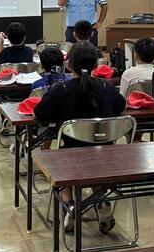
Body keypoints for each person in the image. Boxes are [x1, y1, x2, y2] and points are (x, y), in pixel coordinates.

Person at [34, 43, 126, 229]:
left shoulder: (61, 89)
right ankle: (100, 199)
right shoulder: (107, 87)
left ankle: (69, 206)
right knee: (93, 157)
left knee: (64, 156)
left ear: (68, 65)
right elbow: (120, 106)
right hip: (105, 155)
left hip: (71, 157)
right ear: (96, 65)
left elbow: (40, 112)